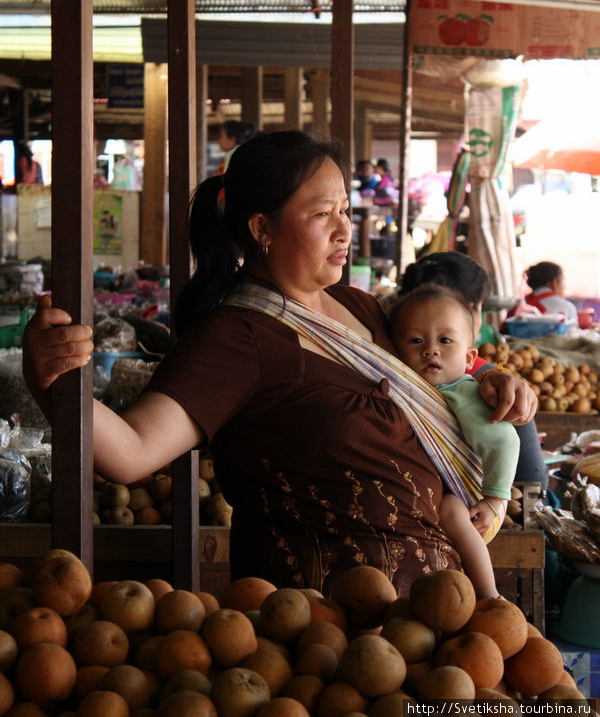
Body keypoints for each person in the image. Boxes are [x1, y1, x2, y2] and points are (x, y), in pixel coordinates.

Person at [22, 131, 537, 595]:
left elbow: (435, 378)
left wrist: (491, 377)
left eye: (344, 210)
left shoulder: (360, 307)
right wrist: (54, 381)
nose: (344, 231)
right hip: (322, 630)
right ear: (262, 228)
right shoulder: (237, 338)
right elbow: (131, 452)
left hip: (435, 604)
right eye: (321, 214)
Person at [390, 283, 520, 599]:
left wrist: (493, 500)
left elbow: (505, 441)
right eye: (416, 340)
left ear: (469, 357)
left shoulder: (463, 394)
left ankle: (489, 594)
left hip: (478, 502)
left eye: (445, 340)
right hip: (455, 491)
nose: (430, 349)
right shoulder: (413, 391)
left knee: (448, 509)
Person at [399, 251, 549, 492]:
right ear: (470, 310)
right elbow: (533, 480)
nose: (431, 350)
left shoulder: (381, 366)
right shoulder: (497, 388)